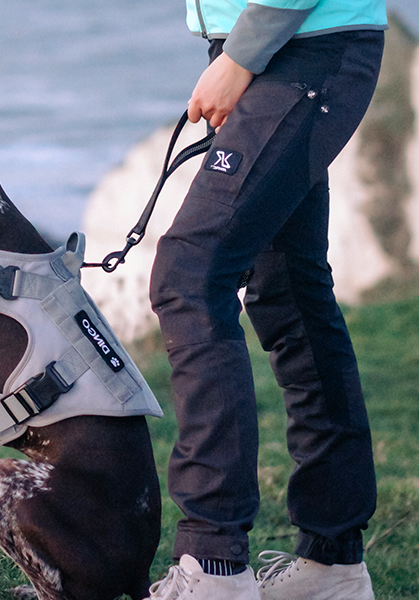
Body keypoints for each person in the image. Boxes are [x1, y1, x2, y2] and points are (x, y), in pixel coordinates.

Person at [143, 0, 386, 599]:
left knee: (191, 273)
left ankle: (213, 565)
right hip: (285, 49)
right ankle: (332, 568)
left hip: (301, 51)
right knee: (289, 292)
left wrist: (239, 58)